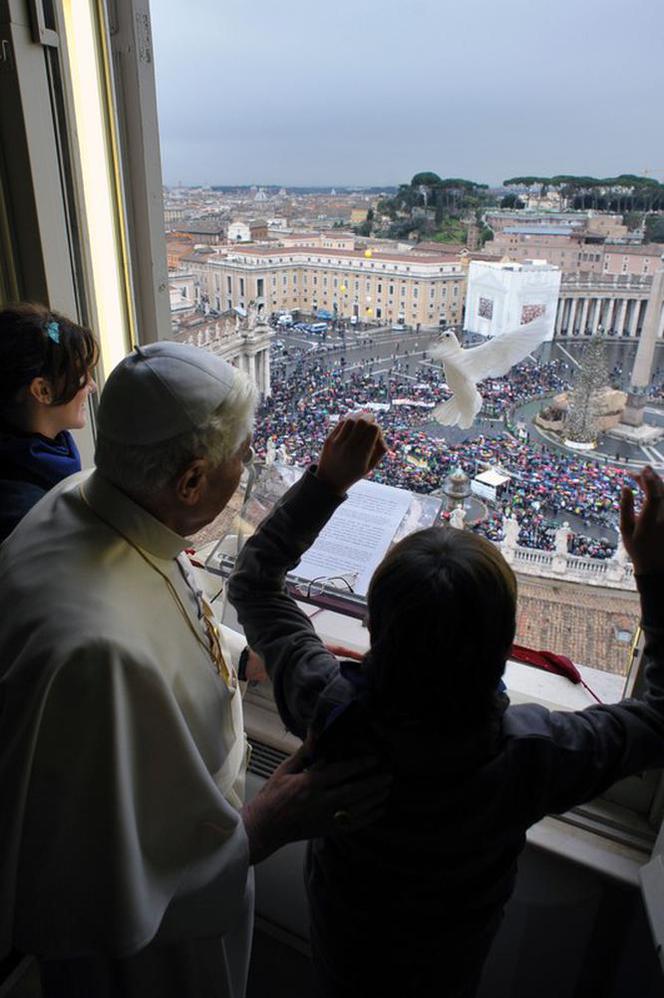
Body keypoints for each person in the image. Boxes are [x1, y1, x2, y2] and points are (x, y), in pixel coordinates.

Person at [0, 342, 390, 998]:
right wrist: (265, 822)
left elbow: (168, 600)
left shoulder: (92, 498)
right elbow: (111, 887)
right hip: (148, 961)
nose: (247, 469)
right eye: (242, 457)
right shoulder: (94, 658)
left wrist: (240, 657)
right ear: (189, 481)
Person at [229, 415, 664, 998]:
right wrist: (654, 575)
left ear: (374, 625)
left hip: (344, 948)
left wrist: (326, 485)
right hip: (451, 963)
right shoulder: (533, 756)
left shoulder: (330, 706)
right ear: (504, 643)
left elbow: (255, 584)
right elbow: (658, 715)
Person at [0, 302, 99, 541]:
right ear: (43, 391)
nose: (92, 387)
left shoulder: (47, 453)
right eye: (81, 377)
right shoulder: (22, 511)